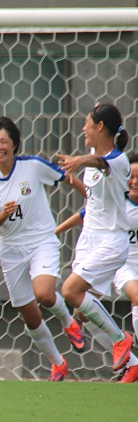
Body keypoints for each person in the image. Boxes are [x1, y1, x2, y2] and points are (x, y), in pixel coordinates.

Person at [0, 117, 87, 381]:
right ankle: (57, 363)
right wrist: (2, 216)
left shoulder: (33, 167)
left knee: (45, 294)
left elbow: (65, 177)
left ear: (14, 144)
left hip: (40, 241)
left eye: (4, 141)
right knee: (30, 316)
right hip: (10, 250)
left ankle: (68, 322)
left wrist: (90, 197)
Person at [57, 103, 138, 381]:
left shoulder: (119, 161)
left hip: (111, 240)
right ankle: (133, 363)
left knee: (69, 291)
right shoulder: (94, 155)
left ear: (100, 127)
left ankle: (121, 339)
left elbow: (102, 163)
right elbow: (91, 200)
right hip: (89, 238)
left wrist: (79, 160)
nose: (83, 128)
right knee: (84, 307)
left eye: (88, 123)